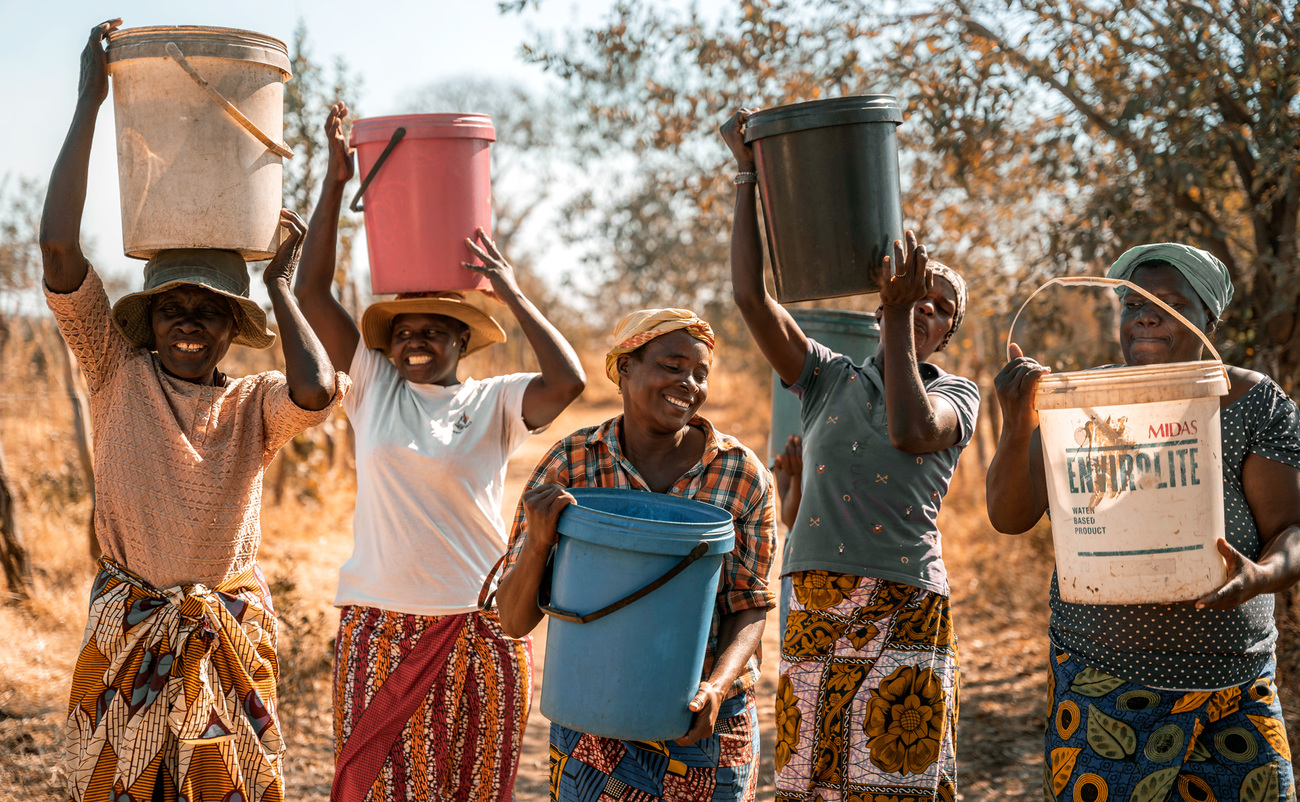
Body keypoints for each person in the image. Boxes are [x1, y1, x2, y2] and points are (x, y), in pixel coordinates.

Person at [43, 20, 345, 802]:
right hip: (129, 629)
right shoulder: (115, 372)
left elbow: (316, 389)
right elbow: (58, 252)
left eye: (208, 311)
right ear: (145, 318)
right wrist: (90, 100)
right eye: (171, 306)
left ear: (231, 331)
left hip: (229, 637)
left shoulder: (252, 405)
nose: (187, 321)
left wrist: (278, 285)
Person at [292, 101, 585, 802]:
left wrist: (509, 286)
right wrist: (334, 182)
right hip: (379, 625)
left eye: (434, 332)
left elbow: (569, 380)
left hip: (480, 627)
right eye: (402, 332)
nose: (414, 342)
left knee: (472, 789)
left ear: (463, 340)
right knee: (381, 784)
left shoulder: (495, 401)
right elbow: (308, 290)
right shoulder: (371, 386)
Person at [721, 109, 980, 802]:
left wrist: (895, 313)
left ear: (950, 330)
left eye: (938, 307)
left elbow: (910, 432)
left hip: (906, 596)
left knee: (892, 776)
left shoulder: (958, 395)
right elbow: (751, 296)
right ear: (877, 307)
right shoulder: (827, 377)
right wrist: (747, 171)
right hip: (812, 594)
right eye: (911, 300)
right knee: (812, 777)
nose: (922, 310)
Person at [986, 243, 1300, 801]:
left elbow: (1292, 528)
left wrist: (1264, 574)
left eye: (1170, 303)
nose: (1146, 315)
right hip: (1101, 679)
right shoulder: (1084, 400)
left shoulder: (1253, 401)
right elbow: (1010, 517)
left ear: (1209, 318)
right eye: (1133, 304)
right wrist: (1016, 427)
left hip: (1235, 686)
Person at [494, 308, 776, 802]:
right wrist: (541, 540)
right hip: (592, 721)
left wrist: (715, 688)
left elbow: (749, 605)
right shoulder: (573, 464)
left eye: (700, 373)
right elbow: (514, 621)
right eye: (672, 365)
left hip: (704, 724)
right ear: (625, 367)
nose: (689, 383)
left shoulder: (739, 473)